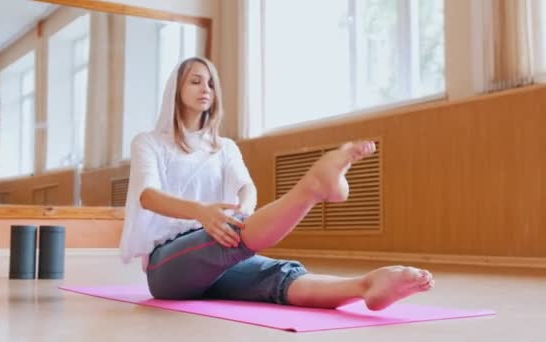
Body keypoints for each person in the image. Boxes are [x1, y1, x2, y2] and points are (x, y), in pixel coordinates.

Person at [120, 57, 434, 310]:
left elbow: (247, 188)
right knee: (233, 235)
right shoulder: (149, 142)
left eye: (212, 83)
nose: (207, 88)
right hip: (169, 266)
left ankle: (365, 286)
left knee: (279, 277)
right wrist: (203, 213)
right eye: (196, 81)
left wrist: (243, 210)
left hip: (223, 245)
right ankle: (311, 188)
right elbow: (148, 197)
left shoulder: (224, 146)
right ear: (176, 90)